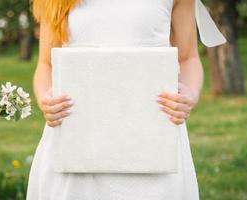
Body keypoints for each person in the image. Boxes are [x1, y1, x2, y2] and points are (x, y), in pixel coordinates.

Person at [26, 0, 226, 199]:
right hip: (75, 135)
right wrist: (45, 98)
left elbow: (188, 57)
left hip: (153, 137)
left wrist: (189, 93)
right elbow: (46, 64)